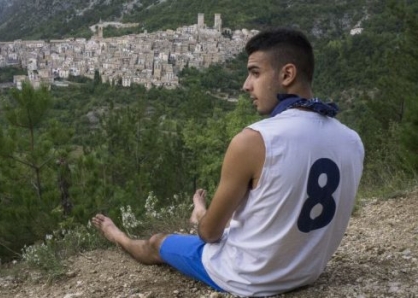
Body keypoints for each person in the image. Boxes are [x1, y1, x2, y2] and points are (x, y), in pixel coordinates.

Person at [91, 28, 364, 297]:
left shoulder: (255, 140)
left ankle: (118, 237)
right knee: (217, 220)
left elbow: (209, 235)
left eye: (255, 73)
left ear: (287, 74)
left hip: (248, 277)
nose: (246, 85)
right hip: (307, 272)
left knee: (157, 242)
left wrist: (203, 222)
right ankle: (199, 210)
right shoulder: (352, 140)